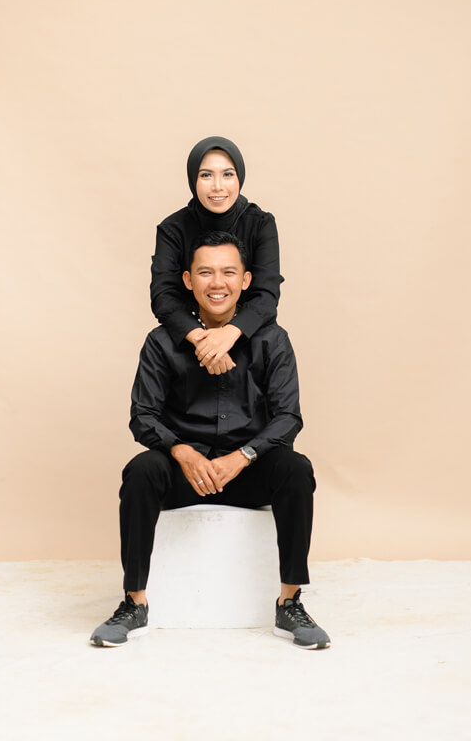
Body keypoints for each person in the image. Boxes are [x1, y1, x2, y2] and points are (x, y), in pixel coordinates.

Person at [90, 232, 330, 650]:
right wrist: (182, 452)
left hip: (248, 472)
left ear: (245, 280)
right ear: (187, 280)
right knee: (141, 470)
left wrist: (243, 456)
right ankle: (134, 603)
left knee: (296, 469)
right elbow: (142, 416)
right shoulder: (161, 341)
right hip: (187, 474)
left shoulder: (272, 339)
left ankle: (290, 602)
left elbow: (288, 418)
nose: (217, 282)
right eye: (205, 272)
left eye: (228, 272)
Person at [150, 136, 283, 376]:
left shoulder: (261, 223)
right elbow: (163, 296)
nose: (218, 186)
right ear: (193, 179)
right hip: (189, 340)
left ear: (240, 177)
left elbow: (266, 293)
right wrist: (205, 343)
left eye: (228, 174)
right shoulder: (172, 229)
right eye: (206, 175)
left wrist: (228, 335)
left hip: (247, 337)